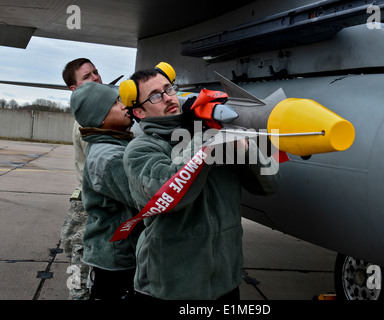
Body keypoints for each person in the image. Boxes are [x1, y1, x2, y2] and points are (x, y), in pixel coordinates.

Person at [122, 68, 281, 300]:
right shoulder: (141, 149)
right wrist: (204, 138)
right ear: (140, 112)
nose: (168, 97)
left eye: (168, 89)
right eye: (155, 96)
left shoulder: (215, 134)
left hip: (226, 282)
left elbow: (270, 185)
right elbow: (170, 195)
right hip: (170, 286)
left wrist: (247, 148)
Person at [69, 81, 142, 299]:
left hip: (114, 256)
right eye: (116, 103)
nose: (124, 106)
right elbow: (144, 196)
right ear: (100, 118)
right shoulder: (108, 157)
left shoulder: (111, 144)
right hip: (117, 260)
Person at [60, 58, 102, 300]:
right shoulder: (89, 120)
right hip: (88, 204)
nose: (95, 78)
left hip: (88, 200)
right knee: (80, 280)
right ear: (74, 89)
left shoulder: (96, 113)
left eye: (95, 72)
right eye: (87, 76)